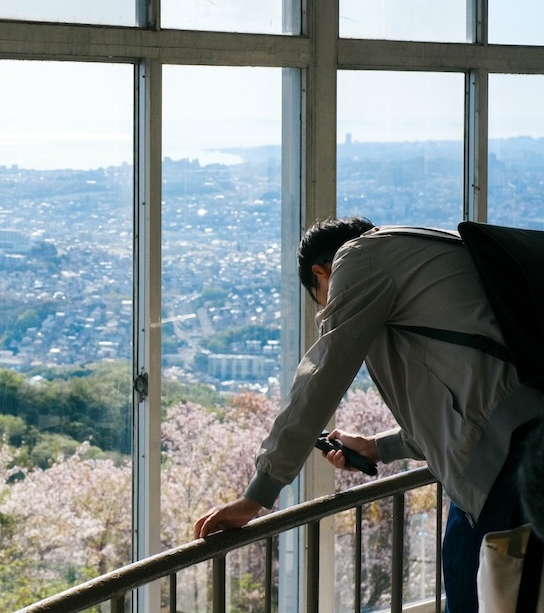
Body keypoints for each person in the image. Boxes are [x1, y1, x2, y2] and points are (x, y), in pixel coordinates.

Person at [193, 216, 544, 613]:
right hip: (518, 441)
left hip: (506, 456)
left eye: (325, 300)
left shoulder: (359, 258)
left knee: (482, 592)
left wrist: (257, 495)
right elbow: (465, 390)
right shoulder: (421, 250)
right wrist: (378, 446)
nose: (333, 308)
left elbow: (323, 373)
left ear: (321, 273)